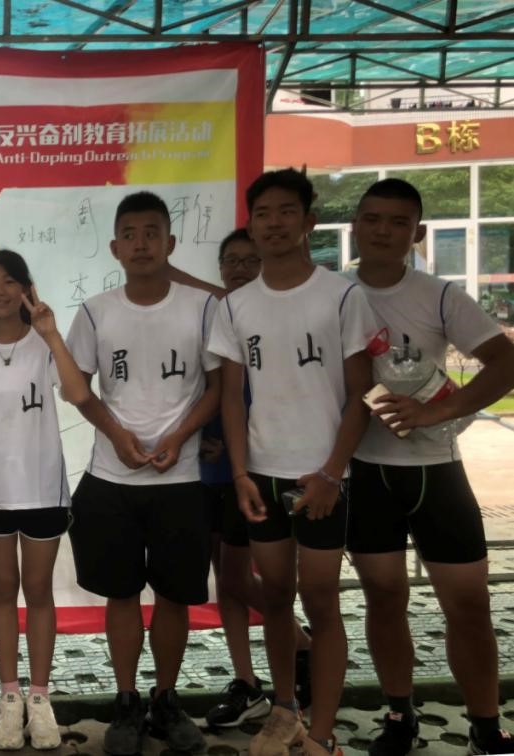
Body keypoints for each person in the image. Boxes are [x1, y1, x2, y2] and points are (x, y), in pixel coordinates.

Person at [208, 168, 376, 756]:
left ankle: (323, 734)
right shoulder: (236, 307)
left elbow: (362, 394)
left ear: (309, 222)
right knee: (276, 596)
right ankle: (285, 709)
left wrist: (331, 473)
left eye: (286, 212)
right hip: (262, 474)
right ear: (251, 224)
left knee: (322, 600)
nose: (274, 223)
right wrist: (240, 473)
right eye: (263, 214)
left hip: (323, 476)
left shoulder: (342, 295)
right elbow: (232, 398)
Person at [346, 178, 514, 756]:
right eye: (372, 219)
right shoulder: (334, 294)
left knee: (468, 604)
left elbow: (504, 361)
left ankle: (486, 726)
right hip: (366, 471)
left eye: (398, 222)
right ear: (355, 227)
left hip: (436, 472)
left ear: (417, 233)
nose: (383, 231)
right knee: (383, 599)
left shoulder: (440, 296)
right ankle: (399, 715)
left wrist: (439, 410)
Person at [66, 191, 222, 755]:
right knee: (122, 595)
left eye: (151, 233)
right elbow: (79, 390)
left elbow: (218, 387)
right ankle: (127, 700)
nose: (140, 244)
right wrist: (117, 434)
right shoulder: (96, 311)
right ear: (114, 247)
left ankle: (166, 699)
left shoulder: (202, 307)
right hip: (111, 480)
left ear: (170, 243)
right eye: (129, 235)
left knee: (175, 597)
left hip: (181, 482)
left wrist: (179, 437)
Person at [0, 250, 90, 751]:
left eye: (10, 281)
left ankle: (40, 699)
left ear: (26, 288)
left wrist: (52, 334)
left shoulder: (45, 344)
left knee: (38, 590)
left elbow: (79, 393)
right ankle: (9, 698)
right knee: (3, 589)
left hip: (42, 487)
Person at [202, 230, 312, 729]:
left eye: (250, 260)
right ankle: (247, 684)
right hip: (210, 471)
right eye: (231, 261)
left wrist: (234, 450)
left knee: (242, 578)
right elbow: (209, 391)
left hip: (259, 471)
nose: (240, 269)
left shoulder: (281, 317)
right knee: (226, 580)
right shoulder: (219, 316)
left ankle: (301, 644)